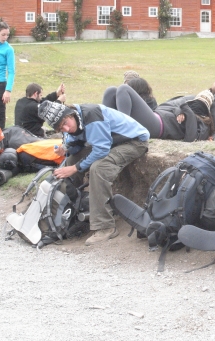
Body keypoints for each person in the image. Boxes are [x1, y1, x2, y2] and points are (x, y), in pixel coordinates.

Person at [38, 100, 149, 245]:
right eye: (61, 128)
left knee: (98, 169)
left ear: (70, 114)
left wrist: (75, 168)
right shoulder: (75, 121)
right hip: (111, 143)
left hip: (133, 142)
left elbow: (102, 149)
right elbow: (76, 144)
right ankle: (67, 212)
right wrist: (65, 149)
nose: (67, 128)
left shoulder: (91, 115)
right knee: (70, 160)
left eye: (66, 122)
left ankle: (105, 227)